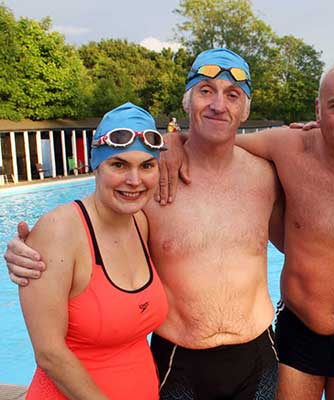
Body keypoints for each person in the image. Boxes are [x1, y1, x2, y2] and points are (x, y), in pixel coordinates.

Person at [5, 54, 334, 399]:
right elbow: (112, 200)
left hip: (315, 339)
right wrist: (44, 242)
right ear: (317, 109)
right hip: (224, 347)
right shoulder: (222, 163)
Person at [6, 49, 281, 400]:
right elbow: (89, 228)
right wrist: (27, 251)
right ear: (187, 102)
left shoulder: (266, 176)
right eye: (206, 90)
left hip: (257, 357)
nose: (218, 104)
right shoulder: (151, 187)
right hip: (179, 363)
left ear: (246, 108)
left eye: (232, 95)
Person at [19, 102, 169, 399]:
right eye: (119, 164)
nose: (134, 180)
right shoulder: (59, 230)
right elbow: (49, 353)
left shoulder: (140, 222)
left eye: (146, 166)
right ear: (96, 164)